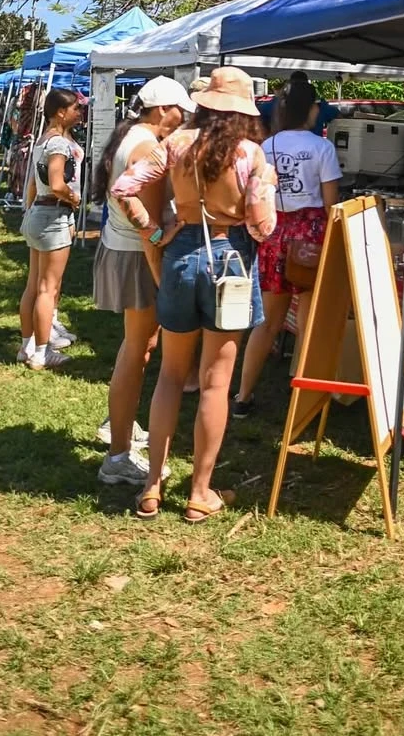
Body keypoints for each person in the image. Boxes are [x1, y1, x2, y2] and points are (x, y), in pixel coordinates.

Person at [110, 67, 276, 523]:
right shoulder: (251, 154)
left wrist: (154, 230)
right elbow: (263, 227)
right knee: (216, 382)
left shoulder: (176, 143)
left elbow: (124, 187)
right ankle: (200, 492)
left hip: (181, 254)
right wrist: (263, 195)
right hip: (231, 259)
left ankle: (152, 486)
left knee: (169, 374)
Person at [92, 76, 196, 486]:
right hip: (137, 257)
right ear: (162, 109)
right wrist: (164, 281)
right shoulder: (146, 147)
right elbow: (148, 229)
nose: (183, 117)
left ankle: (120, 425)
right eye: (179, 110)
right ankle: (118, 454)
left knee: (136, 349)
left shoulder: (131, 136)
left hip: (124, 250)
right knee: (137, 351)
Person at [233, 76, 342, 417]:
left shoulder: (266, 146)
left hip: (274, 232)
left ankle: (242, 396)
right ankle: (304, 402)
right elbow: (331, 204)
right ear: (312, 109)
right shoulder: (322, 148)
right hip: (311, 236)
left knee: (267, 323)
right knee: (308, 323)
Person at [16, 89, 83, 370]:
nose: (79, 113)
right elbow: (56, 184)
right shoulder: (58, 145)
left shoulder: (43, 140)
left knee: (34, 284)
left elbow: (35, 183)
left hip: (38, 213)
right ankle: (43, 353)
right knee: (47, 288)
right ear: (61, 112)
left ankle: (27, 346)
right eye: (76, 108)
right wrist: (73, 197)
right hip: (53, 215)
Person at [259, 70, 340, 137]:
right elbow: (339, 117)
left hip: (281, 145)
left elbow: (258, 118)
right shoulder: (320, 106)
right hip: (313, 146)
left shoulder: (276, 104)